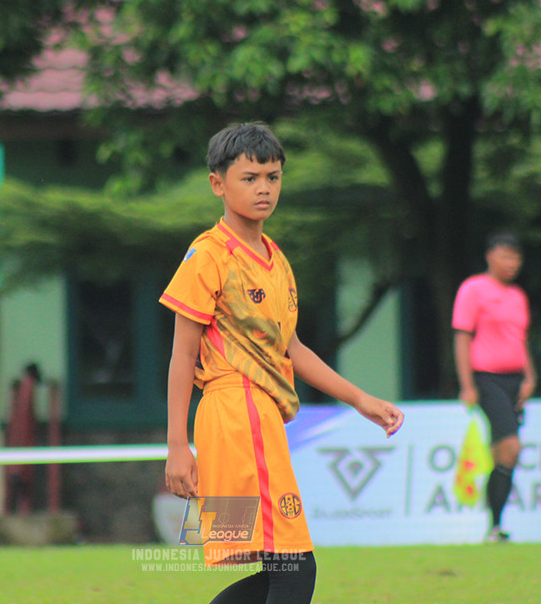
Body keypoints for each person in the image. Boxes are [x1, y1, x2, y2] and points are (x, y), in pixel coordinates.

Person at [160, 122, 404, 603]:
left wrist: (361, 400)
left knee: (278, 570)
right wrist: (176, 448)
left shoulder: (276, 259)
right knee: (294, 568)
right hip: (236, 417)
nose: (264, 188)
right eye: (249, 178)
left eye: (272, 177)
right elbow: (182, 356)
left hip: (257, 418)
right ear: (218, 184)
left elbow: (292, 349)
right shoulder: (208, 256)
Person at [452, 231, 536, 543]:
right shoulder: (473, 290)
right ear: (490, 256)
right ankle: (495, 524)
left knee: (505, 453)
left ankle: (495, 527)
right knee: (511, 446)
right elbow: (462, 336)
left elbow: (521, 340)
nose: (511, 263)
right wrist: (467, 385)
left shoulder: (518, 296)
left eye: (516, 258)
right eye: (505, 256)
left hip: (515, 380)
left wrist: (529, 378)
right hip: (487, 378)